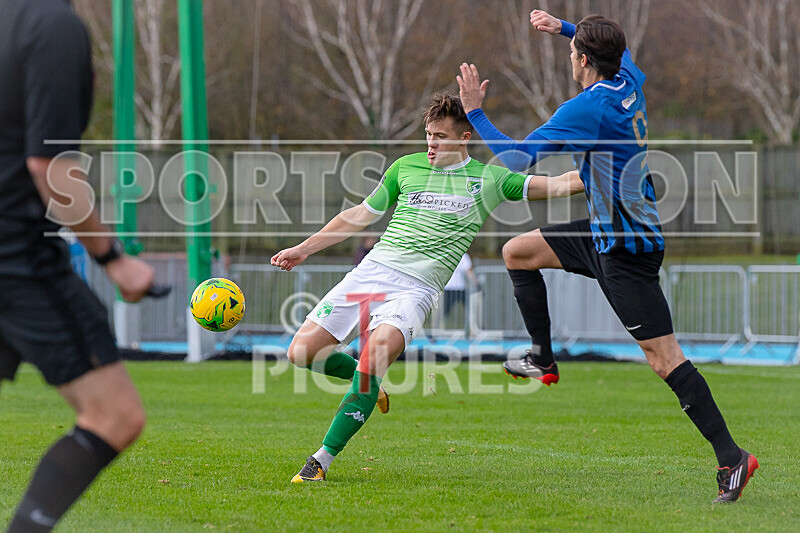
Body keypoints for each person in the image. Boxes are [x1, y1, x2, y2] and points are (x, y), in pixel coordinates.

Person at [457, 9, 757, 503]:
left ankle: (732, 457)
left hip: (625, 249)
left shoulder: (587, 107)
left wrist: (475, 112)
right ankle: (543, 357)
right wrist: (564, 28)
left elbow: (515, 158)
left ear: (583, 61)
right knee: (518, 252)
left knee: (664, 359)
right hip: (606, 231)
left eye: (573, 51)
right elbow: (618, 48)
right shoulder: (628, 79)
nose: (570, 57)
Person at [271, 93, 582, 483]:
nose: (431, 144)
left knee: (372, 362)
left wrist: (610, 173)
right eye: (428, 135)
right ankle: (368, 386)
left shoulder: (490, 178)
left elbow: (557, 185)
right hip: (371, 274)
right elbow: (358, 215)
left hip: (415, 291)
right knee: (301, 353)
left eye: (440, 136)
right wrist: (303, 249)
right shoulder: (406, 167)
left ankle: (321, 461)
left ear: (465, 138)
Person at [1, 1, 166, 530]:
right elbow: (48, 165)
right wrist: (114, 260)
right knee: (114, 415)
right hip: (15, 257)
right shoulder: (52, 25)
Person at [442, 252, 478, 323]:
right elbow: (469, 272)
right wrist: (475, 282)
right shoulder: (462, 255)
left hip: (458, 288)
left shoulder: (462, 256)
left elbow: (469, 271)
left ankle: (474, 327)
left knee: (470, 309)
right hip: (452, 288)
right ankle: (438, 328)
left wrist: (475, 282)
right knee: (443, 312)